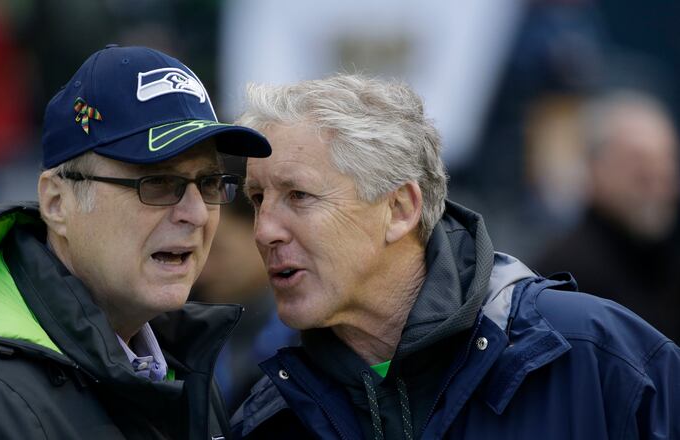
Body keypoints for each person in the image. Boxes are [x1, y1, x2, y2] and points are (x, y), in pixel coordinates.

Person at [230, 74, 680, 439]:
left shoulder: (594, 358)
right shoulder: (268, 418)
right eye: (256, 198)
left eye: (299, 195)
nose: (264, 230)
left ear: (400, 209)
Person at [0, 45, 270, 439]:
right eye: (158, 183)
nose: (196, 213)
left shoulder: (180, 368)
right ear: (57, 202)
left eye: (208, 183)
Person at [535, 91, 680, 342]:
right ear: (595, 169)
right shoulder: (564, 275)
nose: (659, 184)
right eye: (639, 168)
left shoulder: (669, 257)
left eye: (666, 166)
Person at [193, 178, 298, 412]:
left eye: (216, 249)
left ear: (259, 229)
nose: (201, 272)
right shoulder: (189, 333)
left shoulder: (312, 332)